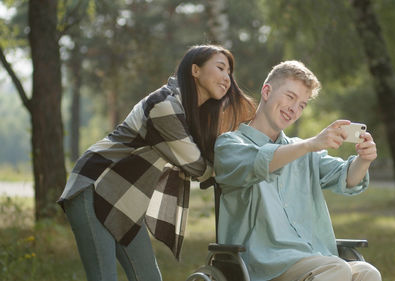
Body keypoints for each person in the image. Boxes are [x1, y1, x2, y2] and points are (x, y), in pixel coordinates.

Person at [57, 45, 255, 281]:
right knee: (103, 275)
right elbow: (195, 165)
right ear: (195, 70)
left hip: (123, 197)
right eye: (221, 68)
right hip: (93, 184)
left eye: (230, 72)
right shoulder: (164, 106)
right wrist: (238, 169)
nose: (227, 78)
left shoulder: (191, 114)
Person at [214, 60, 381, 281]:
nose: (294, 109)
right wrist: (311, 144)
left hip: (312, 259)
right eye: (290, 97)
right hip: (261, 263)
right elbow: (260, 162)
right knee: (336, 269)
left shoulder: (304, 149)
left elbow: (347, 178)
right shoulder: (230, 144)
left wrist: (364, 159)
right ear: (267, 91)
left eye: (302, 104)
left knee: (368, 273)